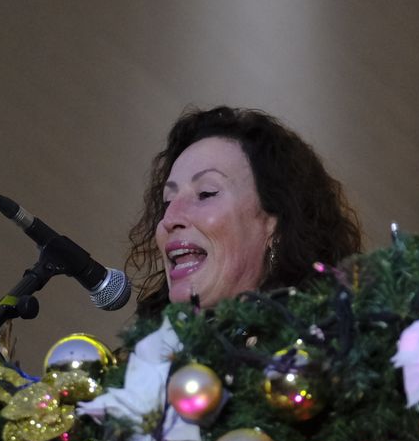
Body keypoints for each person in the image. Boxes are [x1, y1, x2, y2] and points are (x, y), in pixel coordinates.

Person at [126, 106, 362, 315]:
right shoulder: (142, 357)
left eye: (206, 193)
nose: (170, 218)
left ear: (275, 225)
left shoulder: (326, 356)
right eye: (167, 202)